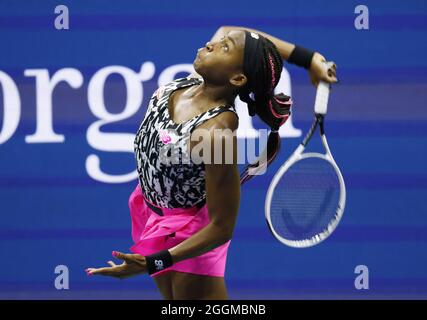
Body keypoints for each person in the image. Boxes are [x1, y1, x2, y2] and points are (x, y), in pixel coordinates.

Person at [85, 25, 338, 300]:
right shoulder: (194, 82)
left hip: (192, 237)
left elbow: (221, 227)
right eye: (219, 42)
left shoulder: (215, 132)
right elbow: (234, 30)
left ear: (238, 78)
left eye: (225, 47)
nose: (211, 43)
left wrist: (153, 262)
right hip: (153, 215)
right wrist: (308, 58)